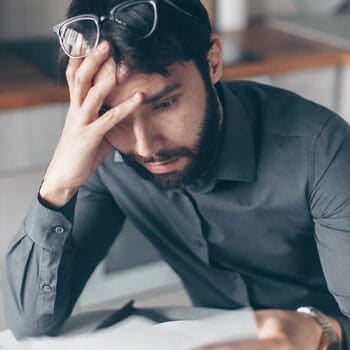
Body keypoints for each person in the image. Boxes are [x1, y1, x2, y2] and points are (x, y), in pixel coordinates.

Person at [2, 0, 350, 348]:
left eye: (164, 104)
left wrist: (321, 329)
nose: (144, 145)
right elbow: (29, 322)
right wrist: (57, 185)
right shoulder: (106, 156)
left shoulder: (321, 151)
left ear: (212, 62)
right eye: (114, 115)